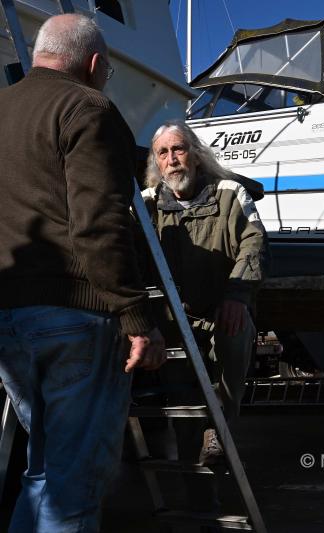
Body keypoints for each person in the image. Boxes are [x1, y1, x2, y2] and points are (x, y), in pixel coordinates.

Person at [0, 14, 166, 532]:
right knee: (73, 486)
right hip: (74, 313)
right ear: (94, 64)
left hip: (9, 320)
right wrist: (136, 317)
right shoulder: (87, 107)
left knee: (44, 474)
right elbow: (99, 223)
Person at [143, 120, 267, 466]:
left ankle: (220, 428)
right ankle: (196, 485)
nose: (172, 160)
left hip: (221, 311)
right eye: (162, 153)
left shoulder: (229, 192)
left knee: (236, 331)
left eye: (178, 149)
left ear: (196, 155)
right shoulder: (146, 204)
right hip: (173, 323)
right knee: (185, 415)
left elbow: (254, 243)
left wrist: (237, 295)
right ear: (156, 163)